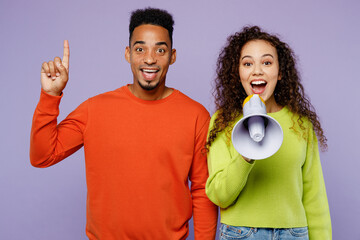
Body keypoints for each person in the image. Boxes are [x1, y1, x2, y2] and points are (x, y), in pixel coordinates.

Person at [30, 8, 218, 240]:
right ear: (128, 53)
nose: (150, 59)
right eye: (140, 49)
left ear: (173, 56)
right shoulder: (94, 109)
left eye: (160, 50)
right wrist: (50, 96)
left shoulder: (196, 115)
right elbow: (42, 156)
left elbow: (202, 190)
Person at [205, 26, 331, 239]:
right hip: (241, 233)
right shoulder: (224, 121)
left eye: (267, 62)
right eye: (247, 63)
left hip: (294, 233)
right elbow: (219, 195)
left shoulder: (300, 124)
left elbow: (314, 197)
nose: (257, 71)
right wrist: (245, 154)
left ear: (280, 72)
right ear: (238, 73)